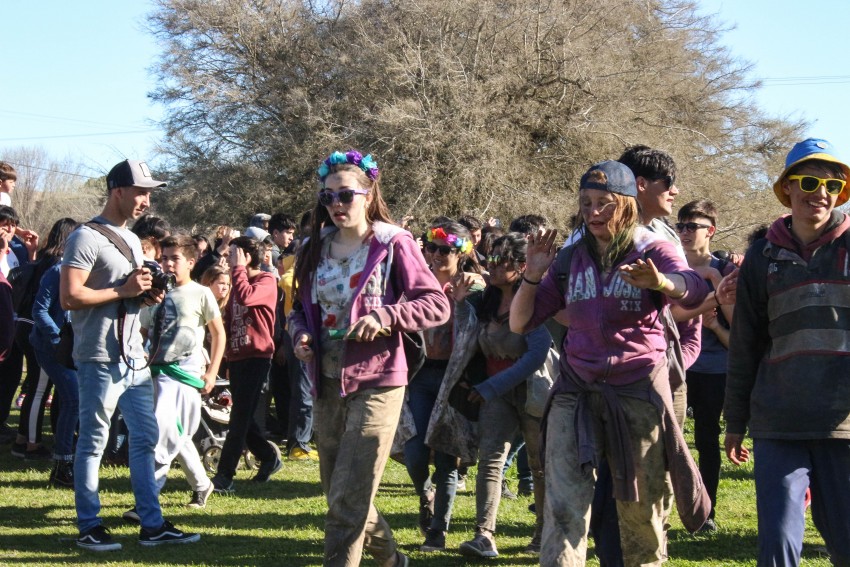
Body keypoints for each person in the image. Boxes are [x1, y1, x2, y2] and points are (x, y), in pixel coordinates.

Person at [510, 160, 709, 566]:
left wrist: (661, 283)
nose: (593, 212)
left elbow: (692, 289)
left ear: (627, 204)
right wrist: (532, 275)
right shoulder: (570, 259)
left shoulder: (653, 248)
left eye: (604, 202)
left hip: (636, 391)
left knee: (641, 514)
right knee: (563, 507)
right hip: (575, 391)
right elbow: (520, 322)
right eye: (586, 203)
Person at [289, 149, 450, 567]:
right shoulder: (313, 247)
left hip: (379, 380)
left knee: (348, 496)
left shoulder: (392, 242)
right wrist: (300, 334)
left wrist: (387, 314)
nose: (336, 205)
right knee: (338, 492)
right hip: (325, 381)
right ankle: (392, 560)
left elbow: (435, 304)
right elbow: (297, 312)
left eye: (345, 196)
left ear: (368, 192)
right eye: (327, 198)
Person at [60, 159, 200, 551]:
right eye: (140, 191)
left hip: (134, 356)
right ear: (117, 190)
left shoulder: (135, 240)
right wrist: (123, 291)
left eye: (149, 192)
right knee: (94, 441)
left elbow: (130, 292)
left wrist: (145, 294)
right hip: (99, 356)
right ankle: (89, 525)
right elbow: (70, 297)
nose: (146, 200)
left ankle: (151, 525)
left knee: (145, 437)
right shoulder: (84, 238)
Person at [724, 138, 850, 566]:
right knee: (777, 542)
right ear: (787, 189)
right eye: (810, 181)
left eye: (832, 185)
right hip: (778, 420)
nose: (821, 193)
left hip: (843, 424)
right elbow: (745, 343)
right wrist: (736, 420)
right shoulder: (762, 257)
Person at [455, 233, 550, 558]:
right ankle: (484, 536)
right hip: (494, 395)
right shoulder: (485, 302)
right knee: (490, 463)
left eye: (502, 261)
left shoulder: (536, 301)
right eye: (491, 259)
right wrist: (458, 302)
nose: (492, 267)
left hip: (534, 394)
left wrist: (491, 387)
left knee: (540, 466)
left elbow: (535, 356)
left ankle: (542, 534)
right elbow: (467, 343)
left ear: (522, 266)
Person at [404, 220, 484, 553]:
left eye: (445, 250)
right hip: (421, 377)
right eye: (431, 248)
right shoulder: (417, 282)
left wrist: (462, 302)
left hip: (455, 380)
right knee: (415, 452)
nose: (436, 255)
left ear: (461, 253)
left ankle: (438, 531)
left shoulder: (477, 288)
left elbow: (479, 336)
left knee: (447, 460)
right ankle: (425, 493)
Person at [141, 235, 225, 510]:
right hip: (155, 372)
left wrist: (212, 373)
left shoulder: (200, 293)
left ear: (191, 262)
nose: (167, 263)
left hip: (185, 375)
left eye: (174, 258)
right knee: (176, 433)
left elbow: (218, 334)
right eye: (164, 257)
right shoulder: (154, 294)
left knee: (164, 432)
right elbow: (143, 330)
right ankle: (202, 484)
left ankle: (148, 499)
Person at [674, 199, 736, 532]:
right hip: (675, 364)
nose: (684, 232)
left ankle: (706, 512)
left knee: (707, 439)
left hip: (713, 367)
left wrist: (713, 279)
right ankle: (666, 508)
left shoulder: (724, 270)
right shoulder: (667, 264)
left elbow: (734, 323)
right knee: (669, 439)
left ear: (710, 231)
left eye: (691, 226)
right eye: (680, 226)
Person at [210, 235, 280, 492]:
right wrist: (226, 354)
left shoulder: (266, 280)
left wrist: (238, 270)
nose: (227, 260)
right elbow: (230, 318)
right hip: (238, 356)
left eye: (232, 255)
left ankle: (224, 475)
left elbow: (248, 298)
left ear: (246, 257)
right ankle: (269, 457)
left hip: (258, 356)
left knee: (239, 418)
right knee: (243, 415)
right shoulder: (239, 280)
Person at [28, 218, 81, 486]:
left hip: (72, 346)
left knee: (74, 400)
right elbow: (39, 310)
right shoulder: (57, 272)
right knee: (73, 399)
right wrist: (57, 338)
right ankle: (62, 465)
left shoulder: (85, 273)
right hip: (51, 345)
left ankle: (68, 459)